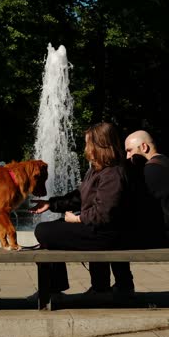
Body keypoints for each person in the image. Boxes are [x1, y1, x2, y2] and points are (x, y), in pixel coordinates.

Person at [30, 122, 134, 297]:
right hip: (99, 230)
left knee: (45, 231)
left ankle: (71, 287)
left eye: (88, 143)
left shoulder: (113, 174)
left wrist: (77, 219)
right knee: (52, 230)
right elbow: (80, 196)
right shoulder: (98, 170)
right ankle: (94, 287)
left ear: (99, 145)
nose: (85, 148)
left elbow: (104, 213)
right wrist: (51, 204)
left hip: (107, 234)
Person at [125, 130, 169, 248]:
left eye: (129, 150)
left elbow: (138, 206)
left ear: (144, 146)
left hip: (162, 235)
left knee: (107, 237)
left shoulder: (151, 170)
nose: (127, 156)